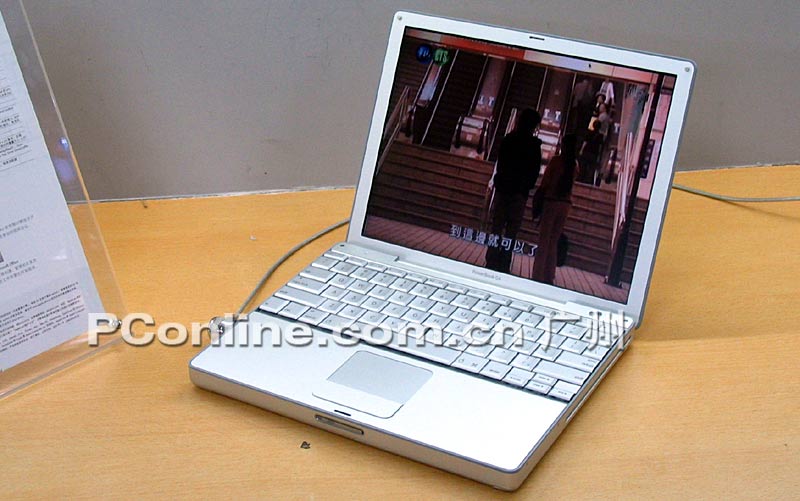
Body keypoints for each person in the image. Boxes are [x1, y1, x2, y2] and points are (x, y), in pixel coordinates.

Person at [485, 108, 542, 272]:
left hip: (503, 189)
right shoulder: (534, 146)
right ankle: (505, 261)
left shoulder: (508, 139)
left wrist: (500, 181)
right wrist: (526, 186)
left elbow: (501, 163)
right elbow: (534, 171)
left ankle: (491, 258)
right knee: (512, 230)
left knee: (497, 226)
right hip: (519, 192)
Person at [531, 134, 580, 284]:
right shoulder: (575, 164)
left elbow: (546, 182)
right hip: (565, 204)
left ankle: (538, 274)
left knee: (544, 240)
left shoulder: (556, 161)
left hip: (551, 201)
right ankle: (549, 275)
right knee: (553, 241)